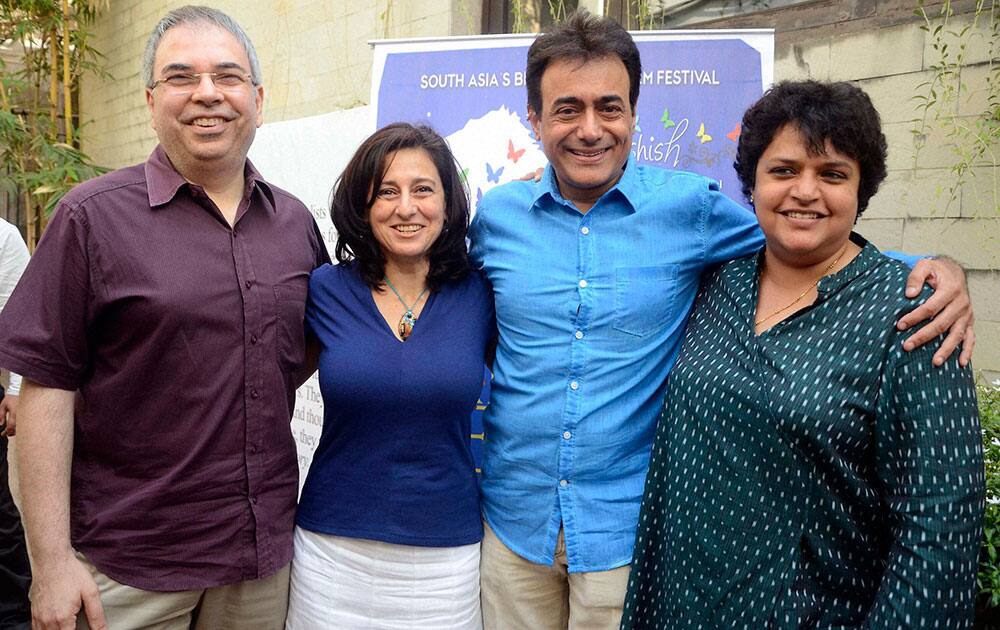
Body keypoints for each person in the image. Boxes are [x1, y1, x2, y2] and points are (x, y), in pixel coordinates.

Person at [469, 10, 976, 629]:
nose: (590, 129)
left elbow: (804, 235)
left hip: (625, 538)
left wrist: (935, 267)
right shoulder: (496, 218)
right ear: (535, 118)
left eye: (609, 107)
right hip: (512, 529)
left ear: (633, 114)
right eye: (567, 109)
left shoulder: (691, 210)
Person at [0, 6, 328, 629]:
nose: (208, 93)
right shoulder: (90, 218)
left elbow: (299, 350)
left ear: (257, 98)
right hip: (127, 569)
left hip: (257, 564)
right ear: (152, 101)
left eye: (227, 76)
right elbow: (45, 389)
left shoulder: (294, 224)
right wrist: (49, 564)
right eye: (182, 77)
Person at [621, 80, 983, 628]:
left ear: (862, 190)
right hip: (682, 602)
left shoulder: (914, 316)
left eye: (832, 174)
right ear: (753, 183)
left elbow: (940, 527)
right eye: (784, 170)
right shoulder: (719, 282)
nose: (805, 192)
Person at [283, 123, 494, 629]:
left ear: (448, 205)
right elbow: (268, 382)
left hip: (445, 561)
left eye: (423, 189)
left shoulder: (480, 296)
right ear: (363, 205)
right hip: (331, 554)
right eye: (386, 192)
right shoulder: (325, 290)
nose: (406, 208)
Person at [0, 217, 30, 630]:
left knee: (0, 520)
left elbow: (24, 321)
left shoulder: (4, 237)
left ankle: (13, 616)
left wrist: (18, 390)